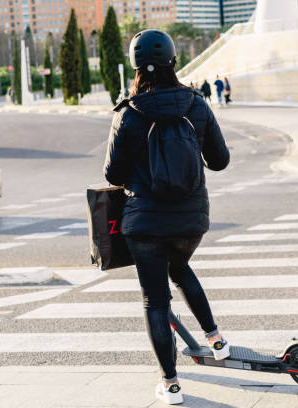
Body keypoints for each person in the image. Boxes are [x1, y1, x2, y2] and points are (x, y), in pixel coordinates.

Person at [104, 29, 230, 405]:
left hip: (145, 223)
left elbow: (112, 175)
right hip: (191, 219)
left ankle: (171, 385)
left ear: (135, 66)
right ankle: (215, 339)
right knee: (180, 267)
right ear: (174, 61)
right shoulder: (197, 105)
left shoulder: (128, 113)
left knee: (155, 301)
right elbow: (220, 161)